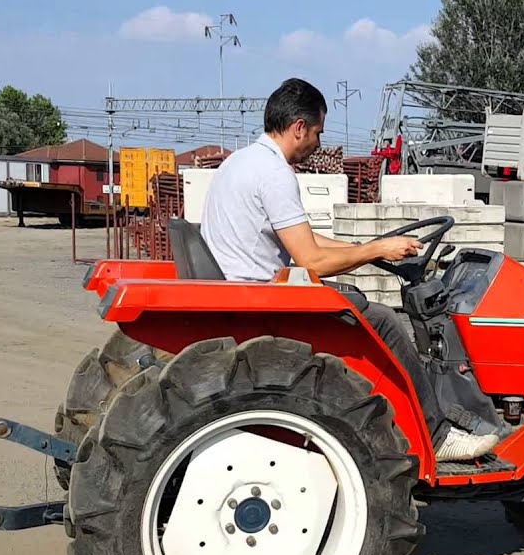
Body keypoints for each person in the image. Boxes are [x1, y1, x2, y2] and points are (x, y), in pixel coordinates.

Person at [200, 77, 500, 462]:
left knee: (357, 300)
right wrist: (375, 248)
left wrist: (370, 251)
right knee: (385, 322)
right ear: (298, 128)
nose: (318, 144)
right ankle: (436, 435)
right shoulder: (274, 174)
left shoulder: (242, 162)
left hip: (248, 289)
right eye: (318, 133)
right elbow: (311, 260)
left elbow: (304, 239)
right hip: (264, 298)